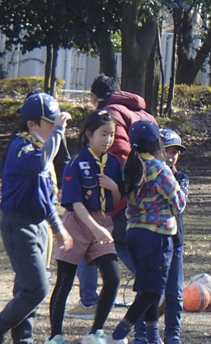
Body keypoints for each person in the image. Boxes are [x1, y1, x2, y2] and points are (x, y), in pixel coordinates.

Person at [0, 93, 73, 344]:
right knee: (36, 289)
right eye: (50, 121)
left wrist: (58, 228)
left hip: (38, 225)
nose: (55, 126)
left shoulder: (41, 148)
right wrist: (58, 132)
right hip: (18, 225)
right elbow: (42, 163)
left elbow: (45, 199)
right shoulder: (21, 148)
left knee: (27, 293)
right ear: (32, 124)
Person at [66, 75, 159, 319]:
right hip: (144, 193)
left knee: (88, 242)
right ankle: (156, 289)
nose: (107, 137)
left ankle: (89, 302)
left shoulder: (111, 113)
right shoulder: (142, 113)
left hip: (116, 196)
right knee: (123, 244)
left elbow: (115, 155)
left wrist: (108, 187)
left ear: (94, 97)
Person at [43, 110, 123, 344]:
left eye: (112, 135)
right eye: (103, 134)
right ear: (89, 134)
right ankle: (54, 337)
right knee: (64, 282)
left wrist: (115, 188)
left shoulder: (113, 163)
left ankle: (95, 332)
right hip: (77, 224)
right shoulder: (76, 162)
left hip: (102, 222)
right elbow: (75, 202)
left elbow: (117, 202)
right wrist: (95, 228)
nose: (108, 140)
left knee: (113, 278)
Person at [105, 120, 186, 344]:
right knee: (152, 291)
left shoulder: (129, 168)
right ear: (156, 145)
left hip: (134, 234)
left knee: (150, 286)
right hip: (157, 235)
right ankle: (118, 336)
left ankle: (153, 343)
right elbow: (179, 203)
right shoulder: (160, 170)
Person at [129, 129, 190, 344]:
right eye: (167, 150)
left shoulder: (179, 177)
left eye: (176, 152)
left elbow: (179, 203)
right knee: (147, 289)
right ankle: (141, 337)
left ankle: (172, 337)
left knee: (174, 292)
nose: (172, 156)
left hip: (174, 240)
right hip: (152, 239)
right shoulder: (141, 171)